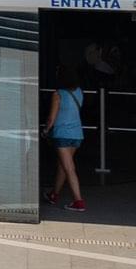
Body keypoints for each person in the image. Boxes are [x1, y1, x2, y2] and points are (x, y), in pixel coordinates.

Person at [46, 61, 88, 212]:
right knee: (63, 166)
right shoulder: (79, 92)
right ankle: (54, 194)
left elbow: (52, 118)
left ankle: (78, 201)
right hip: (77, 135)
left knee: (69, 168)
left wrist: (46, 129)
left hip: (62, 135)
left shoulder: (57, 94)